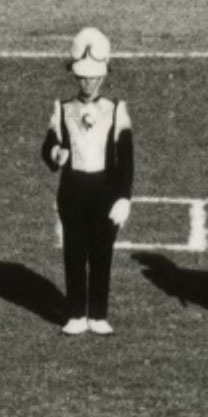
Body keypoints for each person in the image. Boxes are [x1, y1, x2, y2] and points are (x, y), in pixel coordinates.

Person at [47, 28, 140, 332]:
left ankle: (98, 313)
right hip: (73, 191)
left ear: (102, 77)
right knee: (74, 252)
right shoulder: (63, 109)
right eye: (82, 78)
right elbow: (48, 148)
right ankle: (76, 312)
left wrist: (124, 197)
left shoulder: (115, 110)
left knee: (102, 253)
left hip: (105, 191)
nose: (87, 83)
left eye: (93, 78)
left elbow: (125, 159)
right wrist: (55, 154)